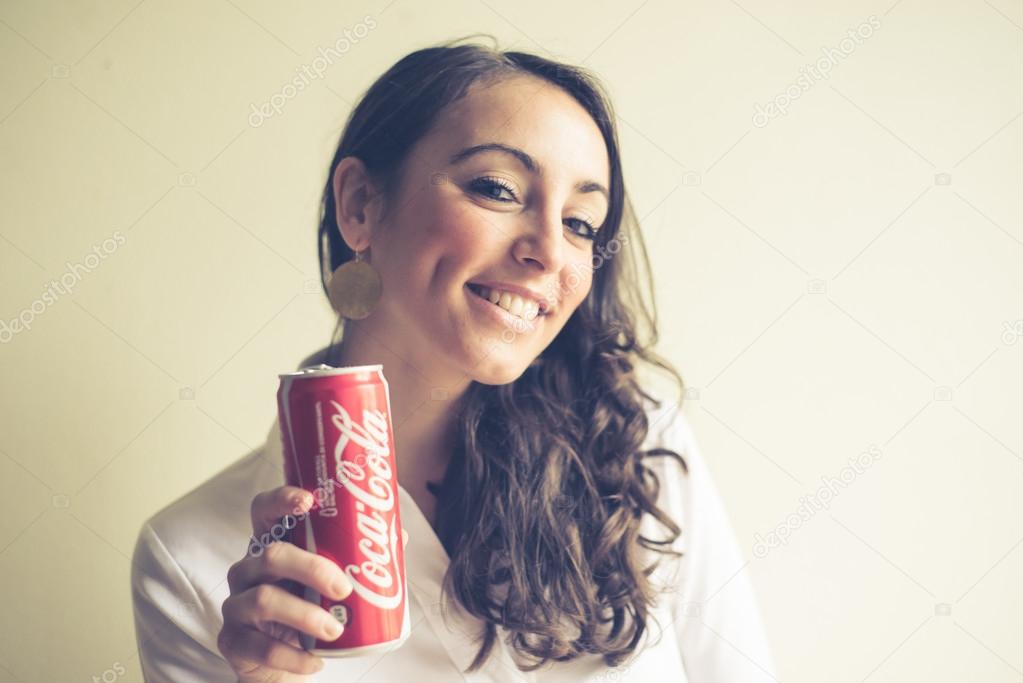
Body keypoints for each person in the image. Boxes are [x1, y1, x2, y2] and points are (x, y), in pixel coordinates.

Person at [130, 38, 777, 682]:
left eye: (581, 223)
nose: (550, 251)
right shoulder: (190, 559)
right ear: (360, 206)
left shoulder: (637, 444)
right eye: (498, 189)